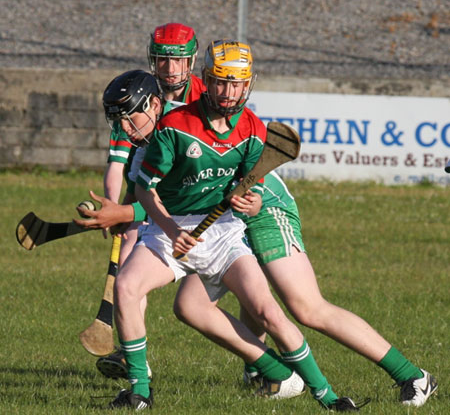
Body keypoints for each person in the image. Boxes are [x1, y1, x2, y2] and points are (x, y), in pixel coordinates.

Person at [104, 39, 358, 411]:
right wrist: (172, 230)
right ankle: (140, 391)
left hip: (223, 232)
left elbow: (248, 191)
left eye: (237, 84)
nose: (228, 92)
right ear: (206, 80)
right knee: (126, 286)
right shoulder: (175, 127)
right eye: (221, 82)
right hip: (170, 229)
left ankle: (329, 398)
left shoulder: (254, 130)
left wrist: (250, 202)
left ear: (248, 84)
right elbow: (144, 191)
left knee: (268, 312)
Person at [174, 170, 438, 408]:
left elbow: (251, 161)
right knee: (192, 305)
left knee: (308, 308)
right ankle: (270, 372)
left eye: (133, 114)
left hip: (264, 209)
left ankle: (413, 376)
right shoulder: (143, 143)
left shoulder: (180, 126)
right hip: (219, 215)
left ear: (155, 111)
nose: (130, 123)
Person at [95, 22, 206, 380]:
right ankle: (130, 354)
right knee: (128, 255)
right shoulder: (135, 92)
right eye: (162, 61)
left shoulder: (206, 95)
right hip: (147, 185)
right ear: (152, 59)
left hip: (197, 194)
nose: (170, 70)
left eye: (179, 62)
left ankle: (261, 365)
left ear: (191, 61)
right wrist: (112, 208)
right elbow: (117, 163)